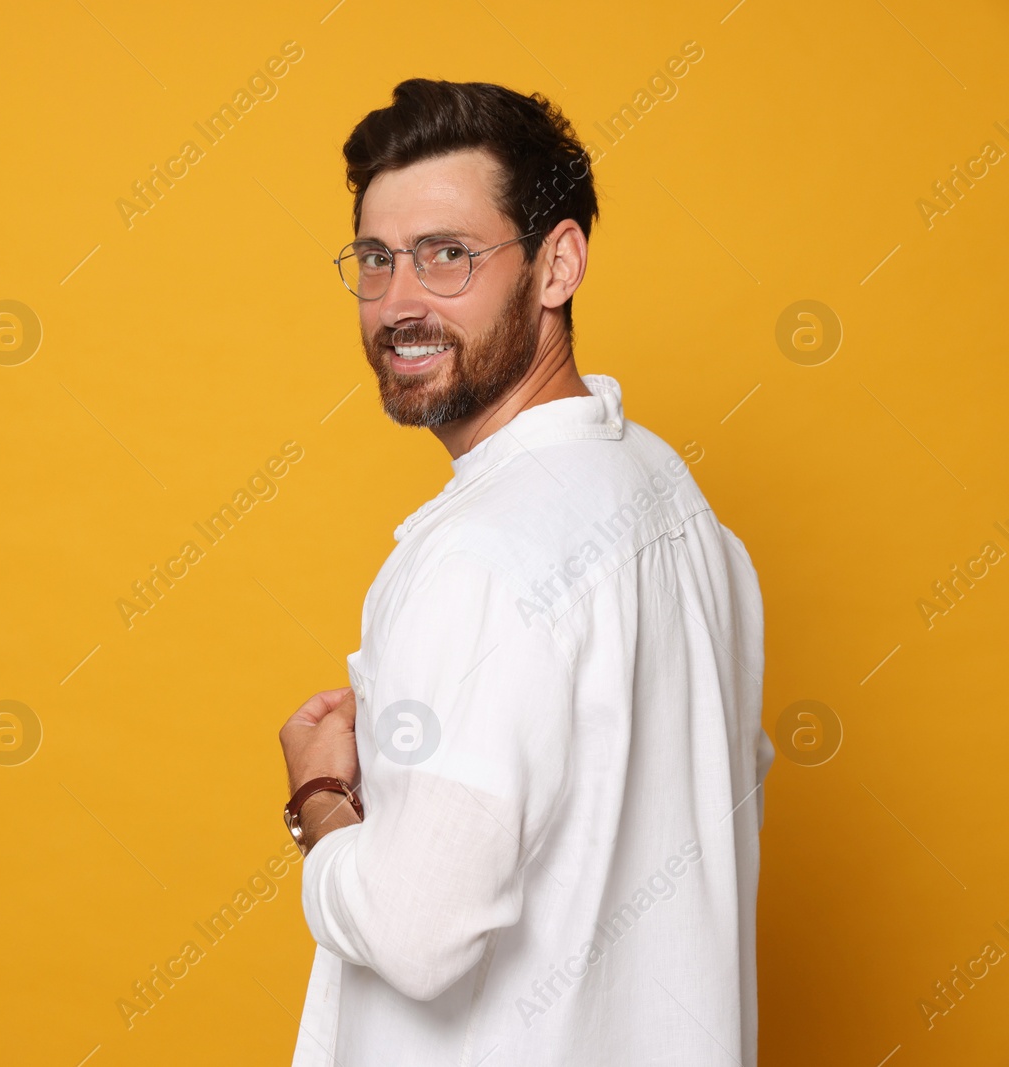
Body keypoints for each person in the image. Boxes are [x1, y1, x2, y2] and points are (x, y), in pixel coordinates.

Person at [276, 79, 773, 1066]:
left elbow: (418, 933)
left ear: (556, 264)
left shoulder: (478, 556)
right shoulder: (678, 507)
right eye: (376, 260)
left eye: (447, 255)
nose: (399, 302)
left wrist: (323, 799)